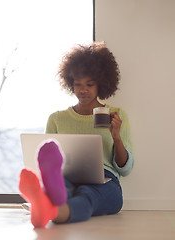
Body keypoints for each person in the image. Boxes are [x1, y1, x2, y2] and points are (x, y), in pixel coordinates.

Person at [19, 42, 134, 228]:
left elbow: (125, 170)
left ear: (101, 84)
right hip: (67, 175)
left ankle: (47, 206)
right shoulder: (57, 118)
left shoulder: (116, 115)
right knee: (66, 185)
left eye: (89, 84)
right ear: (70, 83)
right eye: (77, 84)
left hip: (106, 179)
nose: (83, 90)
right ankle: (52, 198)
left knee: (87, 195)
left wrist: (116, 137)